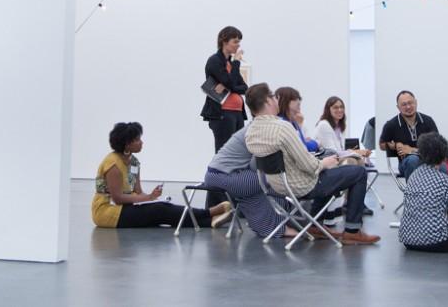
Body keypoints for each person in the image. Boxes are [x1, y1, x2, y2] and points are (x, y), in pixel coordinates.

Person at [245, 83, 380, 245]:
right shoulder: (282, 128)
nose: (276, 99)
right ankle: (352, 230)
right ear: (267, 101)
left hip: (276, 186)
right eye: (273, 96)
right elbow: (309, 166)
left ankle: (315, 225)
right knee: (358, 173)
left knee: (331, 175)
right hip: (301, 185)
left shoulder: (251, 131)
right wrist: (325, 162)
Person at [92, 122, 233, 228]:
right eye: (137, 140)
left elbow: (137, 192)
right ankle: (208, 213)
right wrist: (149, 197)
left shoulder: (134, 162)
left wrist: (151, 196)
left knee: (163, 209)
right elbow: (117, 198)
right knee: (160, 211)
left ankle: (210, 221)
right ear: (127, 144)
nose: (141, 143)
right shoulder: (113, 165)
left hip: (124, 209)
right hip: (108, 213)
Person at [203, 124, 299, 239]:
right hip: (222, 176)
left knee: (267, 181)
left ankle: (274, 224)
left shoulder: (259, 128)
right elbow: (257, 166)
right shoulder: (260, 131)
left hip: (221, 175)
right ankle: (276, 226)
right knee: (271, 179)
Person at [201, 26, 248, 207]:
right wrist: (235, 66)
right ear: (224, 41)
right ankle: (215, 204)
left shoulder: (230, 64)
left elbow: (243, 87)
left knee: (237, 158)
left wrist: (231, 83)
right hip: (222, 115)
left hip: (237, 114)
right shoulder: (214, 61)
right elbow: (230, 82)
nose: (238, 45)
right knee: (223, 158)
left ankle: (233, 201)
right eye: (235, 41)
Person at [313, 96, 373, 225]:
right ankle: (352, 203)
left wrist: (357, 154)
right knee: (352, 162)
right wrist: (356, 152)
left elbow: (339, 150)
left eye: (341, 107)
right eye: (336, 107)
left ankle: (353, 202)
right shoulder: (324, 125)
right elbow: (333, 152)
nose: (340, 110)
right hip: (324, 164)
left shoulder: (338, 126)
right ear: (328, 109)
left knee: (357, 162)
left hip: (333, 160)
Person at [379, 90, 439, 179]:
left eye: (410, 103)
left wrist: (411, 150)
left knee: (445, 166)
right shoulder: (391, 125)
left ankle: (440, 192)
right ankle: (413, 192)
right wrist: (395, 145)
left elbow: (437, 147)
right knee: (413, 160)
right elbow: (382, 145)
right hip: (407, 162)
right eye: (404, 104)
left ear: (416, 102)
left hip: (428, 160)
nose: (408, 107)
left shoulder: (428, 121)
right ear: (398, 107)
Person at [276, 86, 320, 153]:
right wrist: (316, 143)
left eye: (299, 98)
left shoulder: (294, 121)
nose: (299, 101)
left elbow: (304, 145)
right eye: (295, 99)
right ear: (285, 101)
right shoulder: (282, 123)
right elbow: (303, 147)